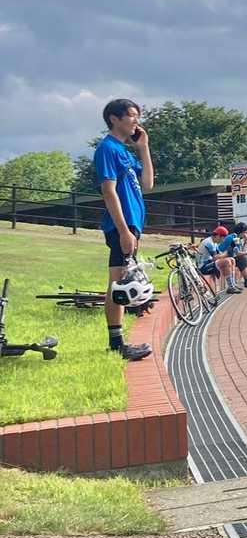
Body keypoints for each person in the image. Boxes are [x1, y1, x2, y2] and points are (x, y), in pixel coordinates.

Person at [93, 97, 153, 362]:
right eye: (131, 115)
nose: (136, 120)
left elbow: (148, 184)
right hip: (122, 226)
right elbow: (109, 191)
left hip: (132, 225)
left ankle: (117, 342)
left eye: (138, 115)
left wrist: (144, 148)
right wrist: (123, 231)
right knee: (117, 283)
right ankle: (116, 344)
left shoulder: (125, 152)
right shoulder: (107, 148)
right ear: (114, 119)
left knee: (122, 281)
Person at [196, 225, 242, 295]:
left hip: (210, 263)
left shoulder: (214, 242)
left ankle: (233, 284)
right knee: (226, 261)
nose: (222, 241)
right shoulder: (209, 243)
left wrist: (229, 250)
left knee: (232, 259)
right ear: (218, 236)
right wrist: (228, 252)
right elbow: (216, 257)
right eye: (222, 239)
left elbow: (220, 254)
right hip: (203, 267)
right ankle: (230, 287)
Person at [218, 221, 247, 288]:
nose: (246, 234)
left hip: (228, 255)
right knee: (242, 258)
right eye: (245, 232)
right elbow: (238, 254)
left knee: (246, 258)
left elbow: (241, 251)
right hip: (221, 256)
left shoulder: (236, 238)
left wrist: (246, 242)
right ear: (242, 232)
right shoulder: (233, 238)